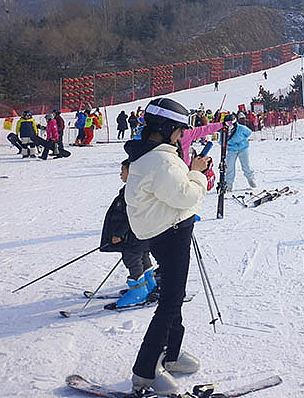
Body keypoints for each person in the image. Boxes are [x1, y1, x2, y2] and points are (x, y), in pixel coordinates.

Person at [124, 97, 208, 394]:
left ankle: (170, 354)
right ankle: (145, 371)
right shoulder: (160, 159)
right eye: (179, 131)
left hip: (164, 230)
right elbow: (185, 196)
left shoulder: (149, 154)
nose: (181, 136)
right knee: (171, 301)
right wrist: (198, 172)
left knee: (175, 293)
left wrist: (188, 172)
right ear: (167, 127)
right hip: (170, 233)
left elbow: (170, 187)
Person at [100, 159, 157, 308]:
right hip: (142, 235)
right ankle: (149, 284)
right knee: (143, 256)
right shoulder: (138, 188)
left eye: (123, 171)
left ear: (131, 173)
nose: (120, 174)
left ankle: (138, 293)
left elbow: (130, 215)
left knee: (132, 259)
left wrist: (119, 233)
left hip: (132, 237)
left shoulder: (132, 192)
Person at [224, 113, 257, 191]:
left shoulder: (241, 128)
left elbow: (249, 132)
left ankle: (250, 178)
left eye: (230, 123)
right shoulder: (225, 130)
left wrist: (242, 140)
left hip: (243, 148)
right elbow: (220, 141)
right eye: (227, 123)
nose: (229, 125)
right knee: (229, 166)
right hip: (232, 150)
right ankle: (229, 183)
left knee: (246, 165)